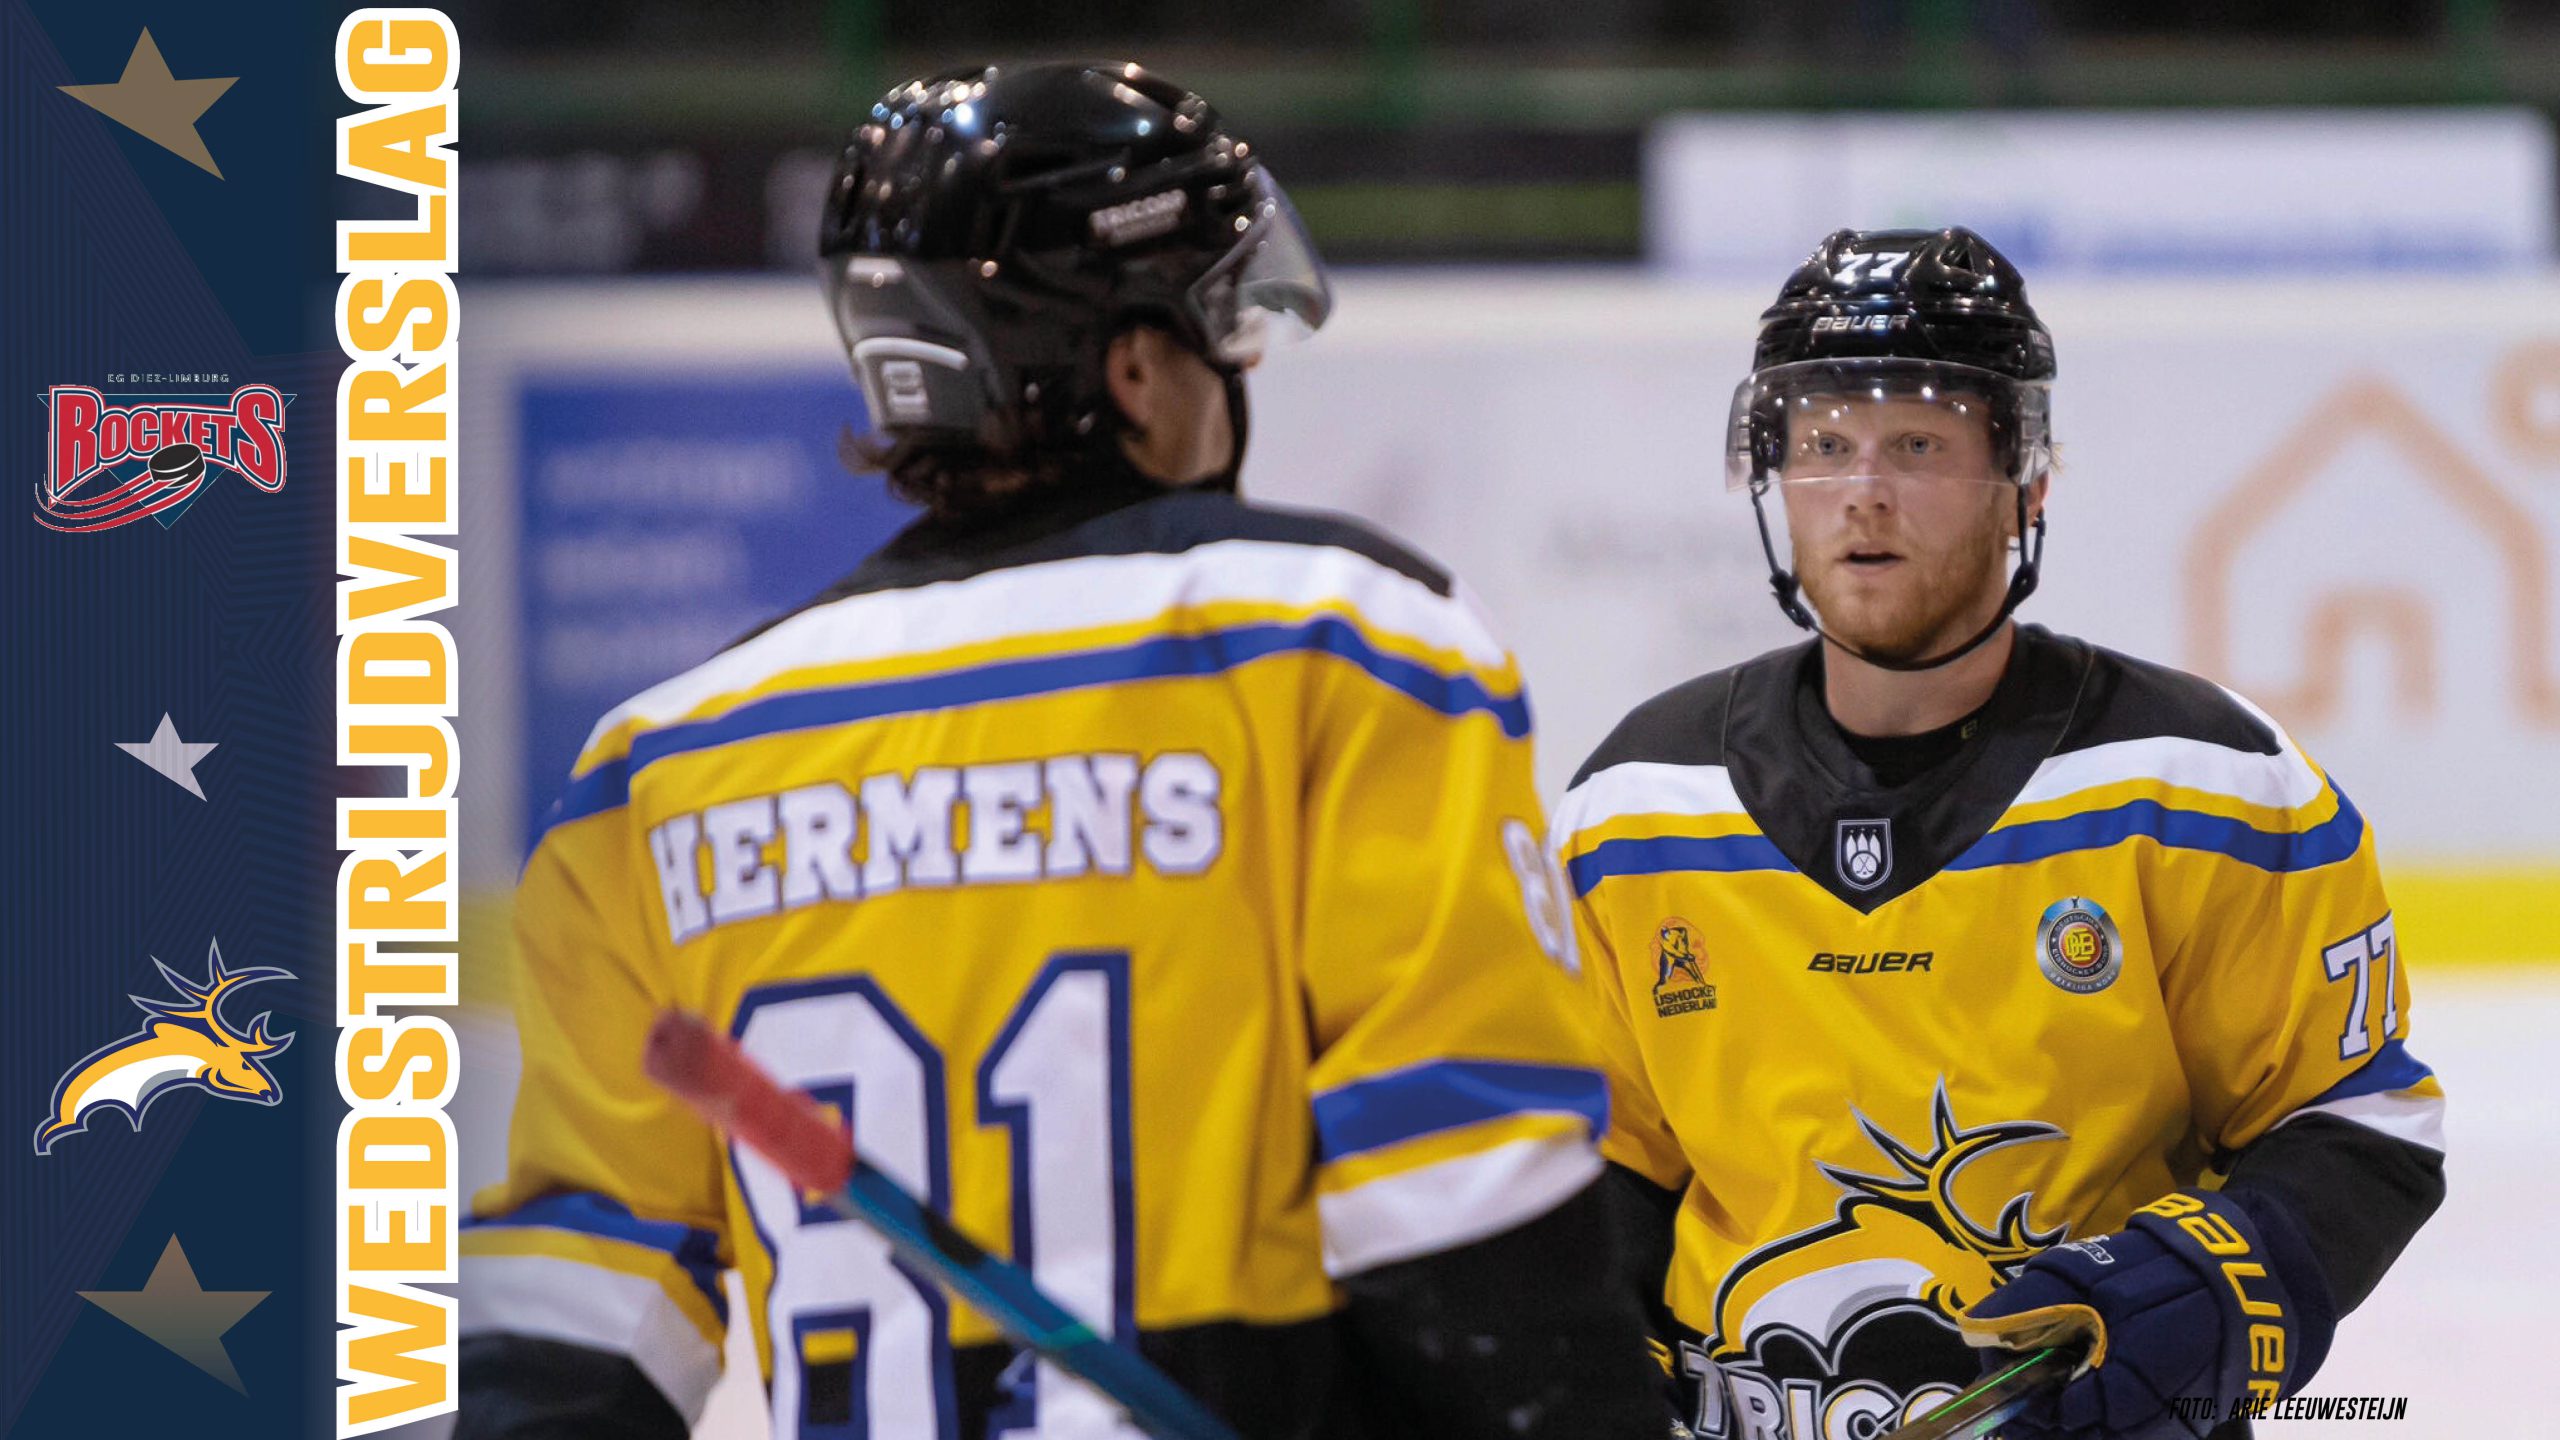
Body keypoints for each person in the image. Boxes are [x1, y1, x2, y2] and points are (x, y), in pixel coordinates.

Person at [457, 61, 1660, 1440]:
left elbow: (565, 1352)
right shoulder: (1329, 642)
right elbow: (1464, 1205)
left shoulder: (654, 774)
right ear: (1137, 370)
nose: (1235, 374)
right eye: (1222, 331)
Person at [1553, 227, 2445, 1440]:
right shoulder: (1640, 805)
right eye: (1824, 446)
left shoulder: (2204, 788)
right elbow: (1591, 1156)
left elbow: (2360, 1119)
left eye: (1917, 444)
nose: (1862, 490)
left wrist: (2209, 1302)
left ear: (2023, 479)